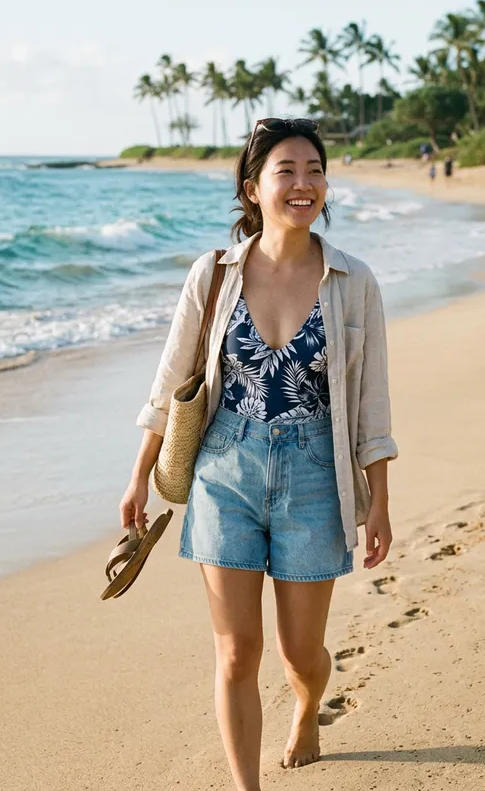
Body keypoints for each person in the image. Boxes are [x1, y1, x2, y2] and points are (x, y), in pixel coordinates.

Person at [122, 117, 398, 790]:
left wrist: (380, 501)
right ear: (253, 188)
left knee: (301, 654)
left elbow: (371, 404)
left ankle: (306, 708)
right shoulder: (212, 275)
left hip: (315, 473)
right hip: (225, 470)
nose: (303, 183)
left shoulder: (352, 282)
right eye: (286, 170)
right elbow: (170, 383)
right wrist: (137, 478)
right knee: (236, 652)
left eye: (314, 170)